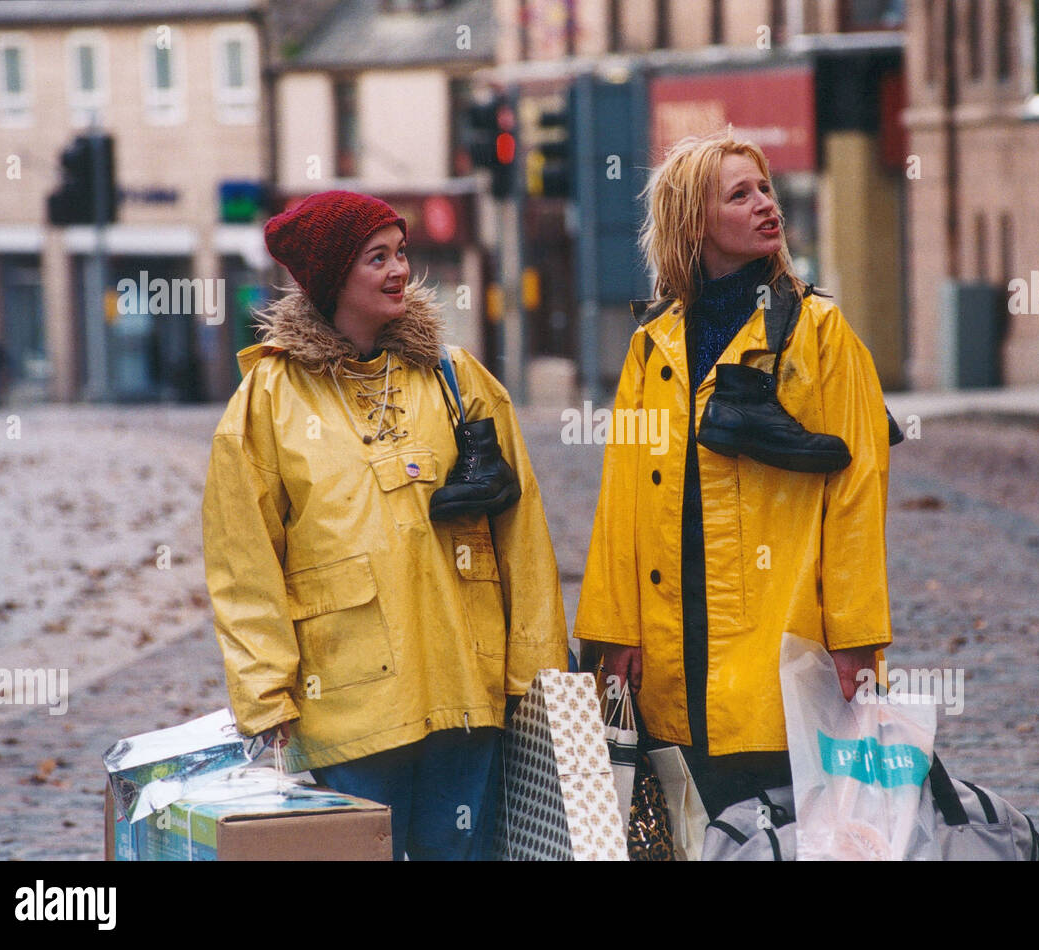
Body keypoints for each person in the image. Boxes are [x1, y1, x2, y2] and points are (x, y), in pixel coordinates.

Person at [202, 190, 568, 860]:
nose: (400, 269)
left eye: (401, 252)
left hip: (467, 695)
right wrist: (266, 699)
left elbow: (524, 535)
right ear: (333, 276)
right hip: (347, 709)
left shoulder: (459, 380)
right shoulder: (267, 402)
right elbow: (243, 561)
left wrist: (538, 676)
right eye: (377, 258)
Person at [574, 132, 894, 825]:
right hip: (671, 643)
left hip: (784, 640)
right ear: (694, 221)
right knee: (696, 830)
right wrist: (613, 631)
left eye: (765, 189)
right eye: (739, 194)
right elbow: (621, 498)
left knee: (790, 829)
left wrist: (857, 639)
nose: (765, 205)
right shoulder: (650, 346)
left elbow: (858, 496)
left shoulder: (821, 333)